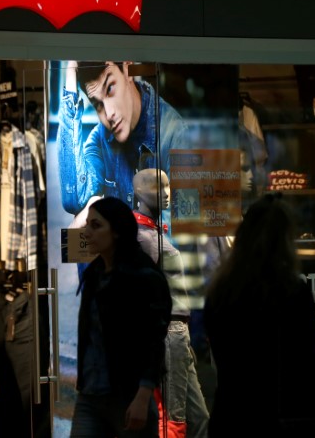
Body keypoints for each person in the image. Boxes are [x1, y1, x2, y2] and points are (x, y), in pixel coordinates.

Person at [204, 194, 315, 437]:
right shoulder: (289, 290)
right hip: (280, 418)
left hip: (231, 417)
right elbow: (314, 363)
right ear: (283, 240)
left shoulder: (221, 291)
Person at [71, 197, 172, 438]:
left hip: (128, 394)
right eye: (87, 225)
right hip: (91, 393)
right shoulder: (95, 274)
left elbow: (154, 340)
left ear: (116, 231)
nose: (87, 232)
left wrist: (144, 393)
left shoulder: (142, 275)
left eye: (96, 226)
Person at [57, 61, 188, 218]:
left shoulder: (175, 134)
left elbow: (180, 234)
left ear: (127, 69)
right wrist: (70, 71)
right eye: (98, 104)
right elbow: (73, 199)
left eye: (110, 88)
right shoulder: (100, 137)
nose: (109, 113)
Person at [132, 169, 209, 438]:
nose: (166, 194)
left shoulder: (153, 234)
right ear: (139, 192)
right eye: (158, 187)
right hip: (168, 331)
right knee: (173, 418)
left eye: (167, 187)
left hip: (178, 332)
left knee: (199, 417)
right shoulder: (141, 238)